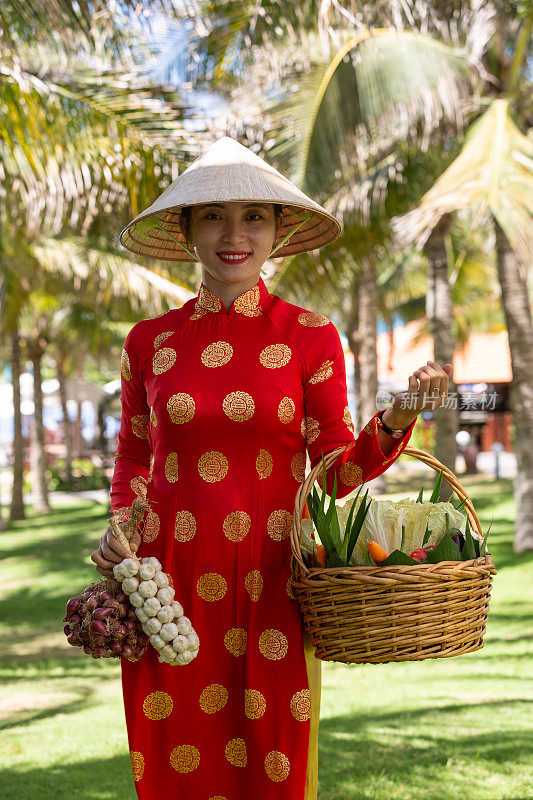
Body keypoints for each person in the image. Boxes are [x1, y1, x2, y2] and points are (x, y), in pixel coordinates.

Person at [91, 136, 452, 800]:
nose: (234, 234)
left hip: (274, 584)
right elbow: (135, 458)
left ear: (279, 230)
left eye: (254, 216)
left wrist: (395, 421)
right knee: (172, 760)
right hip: (166, 586)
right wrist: (120, 532)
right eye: (214, 217)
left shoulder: (308, 335)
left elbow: (336, 472)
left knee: (274, 764)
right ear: (187, 229)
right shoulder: (149, 341)